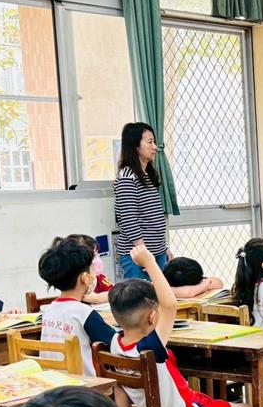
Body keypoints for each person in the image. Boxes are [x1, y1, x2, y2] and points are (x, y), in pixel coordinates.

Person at [109, 243, 263, 407]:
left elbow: (120, 387)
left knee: (219, 403)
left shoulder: (116, 344)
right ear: (152, 317)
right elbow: (170, 305)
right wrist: (150, 262)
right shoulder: (150, 346)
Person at [38, 236, 117, 377]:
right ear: (85, 278)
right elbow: (114, 343)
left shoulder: (48, 310)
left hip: (53, 382)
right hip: (84, 385)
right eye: (92, 268)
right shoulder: (84, 313)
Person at [114, 122, 169, 280]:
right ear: (135, 146)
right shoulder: (127, 177)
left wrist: (164, 248)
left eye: (154, 142)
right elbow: (128, 219)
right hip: (137, 257)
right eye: (150, 142)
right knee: (141, 296)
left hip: (156, 252)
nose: (155, 147)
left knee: (160, 294)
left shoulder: (148, 175)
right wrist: (143, 252)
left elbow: (153, 217)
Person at [69, 234, 113, 304]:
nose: (97, 260)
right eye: (94, 256)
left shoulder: (101, 279)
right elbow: (96, 298)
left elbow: (113, 291)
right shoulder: (76, 285)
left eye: (97, 254)